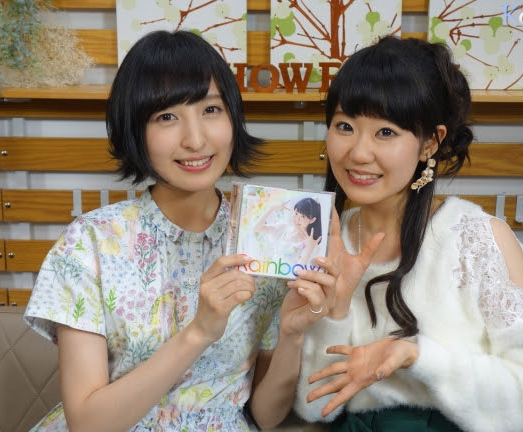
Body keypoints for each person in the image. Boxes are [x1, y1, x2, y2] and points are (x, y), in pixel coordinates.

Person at [23, 30, 341, 432]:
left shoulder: (266, 238)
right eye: (167, 117)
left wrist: (292, 334)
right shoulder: (90, 243)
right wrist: (198, 333)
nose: (195, 139)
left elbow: (265, 416)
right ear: (135, 129)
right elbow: (88, 424)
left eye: (211, 110)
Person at [293, 36, 523, 432]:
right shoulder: (322, 241)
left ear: (430, 143)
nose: (359, 153)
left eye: (386, 132)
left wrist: (416, 356)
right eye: (345, 126)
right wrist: (334, 312)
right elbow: (315, 406)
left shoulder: (479, 239)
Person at [253, 197, 324, 266]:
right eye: (296, 213)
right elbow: (257, 228)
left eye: (303, 216)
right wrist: (272, 208)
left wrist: (309, 249)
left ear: (312, 220)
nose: (297, 219)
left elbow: (299, 270)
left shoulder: (311, 244)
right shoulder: (283, 228)